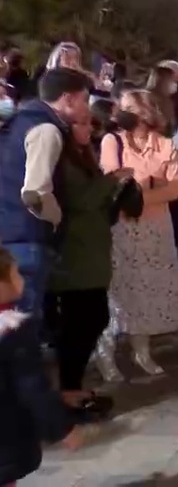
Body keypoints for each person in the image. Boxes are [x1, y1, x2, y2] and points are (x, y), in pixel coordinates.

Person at [44, 113, 136, 422]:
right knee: (81, 321)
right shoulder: (62, 161)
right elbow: (79, 200)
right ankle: (68, 391)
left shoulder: (84, 157)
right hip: (74, 253)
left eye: (90, 124)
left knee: (90, 318)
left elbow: (96, 202)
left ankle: (72, 386)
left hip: (91, 249)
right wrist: (112, 179)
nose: (89, 129)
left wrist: (118, 193)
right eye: (81, 124)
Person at [96, 90, 178, 379]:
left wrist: (140, 193)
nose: (125, 113)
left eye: (132, 107)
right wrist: (146, 189)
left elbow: (175, 189)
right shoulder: (114, 141)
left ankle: (141, 352)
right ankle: (105, 355)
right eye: (123, 108)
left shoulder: (166, 145)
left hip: (155, 228)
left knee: (148, 290)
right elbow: (113, 181)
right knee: (118, 289)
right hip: (121, 227)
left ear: (148, 111)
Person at [0, 68, 93, 327]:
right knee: (22, 325)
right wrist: (56, 220)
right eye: (84, 100)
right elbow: (36, 193)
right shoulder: (46, 130)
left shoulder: (19, 121)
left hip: (8, 233)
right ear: (68, 99)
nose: (87, 108)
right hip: (28, 239)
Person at [0, 247, 83, 486]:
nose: (22, 279)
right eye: (16, 273)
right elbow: (33, 388)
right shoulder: (13, 331)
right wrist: (62, 428)